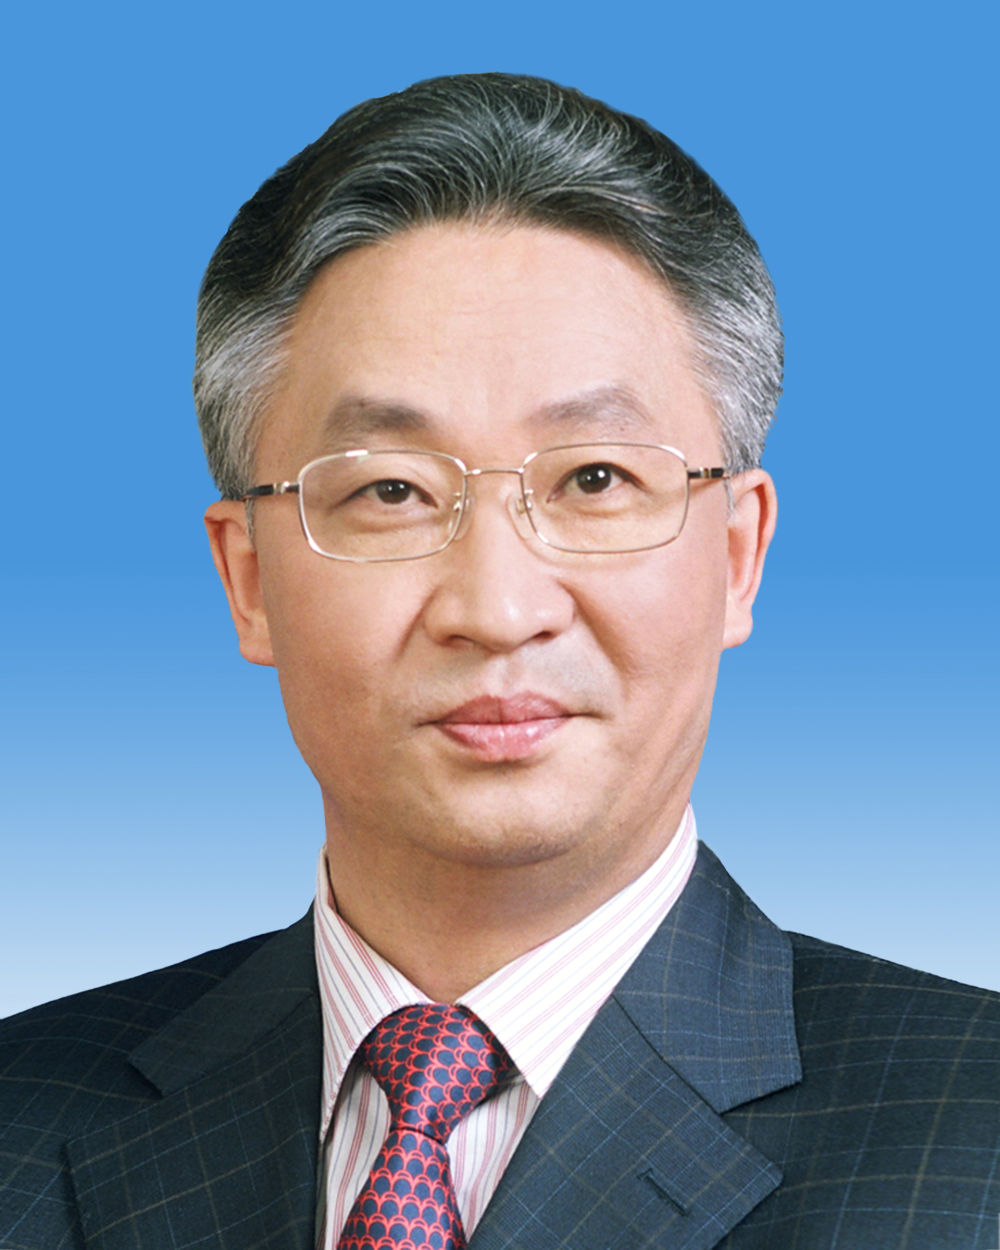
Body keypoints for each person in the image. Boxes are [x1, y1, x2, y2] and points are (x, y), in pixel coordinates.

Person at [1, 73, 996, 1250]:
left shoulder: (972, 1141)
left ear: (737, 555)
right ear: (248, 579)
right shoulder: (23, 1116)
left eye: (593, 479)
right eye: (390, 491)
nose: (497, 608)